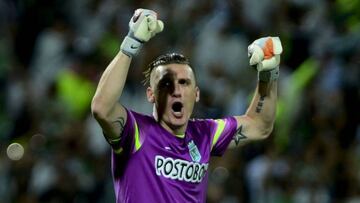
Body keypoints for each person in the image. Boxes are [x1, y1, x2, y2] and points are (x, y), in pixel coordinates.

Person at [91, 8, 282, 203]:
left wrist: (269, 74)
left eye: (184, 82)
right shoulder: (137, 132)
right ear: (151, 95)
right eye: (166, 83)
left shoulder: (205, 134)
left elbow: (259, 125)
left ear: (196, 93)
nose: (176, 90)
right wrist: (130, 44)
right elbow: (102, 108)